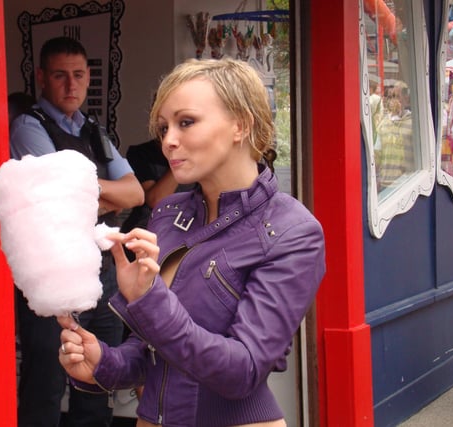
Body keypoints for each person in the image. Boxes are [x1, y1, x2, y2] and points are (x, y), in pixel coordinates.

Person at [56, 57, 326, 427]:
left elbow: (242, 370)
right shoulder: (169, 213)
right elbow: (152, 351)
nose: (168, 140)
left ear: (240, 124)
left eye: (186, 122)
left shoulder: (291, 230)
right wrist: (104, 363)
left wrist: (148, 301)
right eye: (164, 127)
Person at [9, 36, 144, 427]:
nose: (71, 86)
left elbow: (134, 193)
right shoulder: (28, 125)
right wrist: (102, 193)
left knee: (98, 379)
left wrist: (81, 189)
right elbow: (59, 194)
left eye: (79, 75)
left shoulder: (93, 129)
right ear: (41, 78)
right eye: (60, 75)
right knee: (46, 383)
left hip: (101, 269)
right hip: (51, 268)